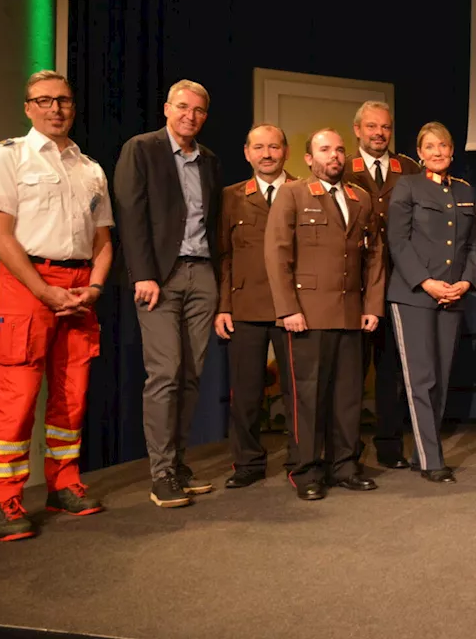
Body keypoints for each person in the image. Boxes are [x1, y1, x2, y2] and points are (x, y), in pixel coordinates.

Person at [0, 70, 113, 541]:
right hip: (28, 283)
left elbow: (103, 241)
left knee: (72, 393)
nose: (56, 109)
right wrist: (42, 289)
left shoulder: (89, 167)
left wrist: (93, 289)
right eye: (45, 101)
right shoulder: (7, 156)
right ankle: (5, 498)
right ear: (28, 107)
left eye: (64, 101)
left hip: (79, 287)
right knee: (17, 395)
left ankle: (64, 484)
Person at [114, 79, 222, 508]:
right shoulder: (141, 149)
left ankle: (178, 465)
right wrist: (142, 273)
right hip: (159, 277)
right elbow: (130, 212)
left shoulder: (210, 160)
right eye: (182, 107)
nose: (189, 116)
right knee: (165, 372)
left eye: (197, 110)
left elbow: (210, 222)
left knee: (191, 374)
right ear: (166, 108)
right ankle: (160, 474)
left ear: (205, 117)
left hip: (202, 275)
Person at [264, 128, 385, 500]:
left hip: (350, 313)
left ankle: (345, 464)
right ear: (308, 158)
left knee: (348, 395)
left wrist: (372, 306)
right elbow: (277, 252)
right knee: (308, 397)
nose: (334, 156)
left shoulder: (360, 197)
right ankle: (306, 468)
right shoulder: (293, 193)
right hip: (307, 314)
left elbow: (374, 254)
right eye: (325, 150)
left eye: (339, 150)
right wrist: (287, 309)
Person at [385, 123, 476, 484]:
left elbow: (472, 245)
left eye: (444, 145)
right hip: (414, 296)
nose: (438, 152)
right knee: (420, 378)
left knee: (440, 378)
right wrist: (427, 283)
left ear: (452, 151)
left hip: (453, 294)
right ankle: (430, 458)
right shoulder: (407, 186)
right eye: (430, 146)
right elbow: (398, 241)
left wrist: (465, 282)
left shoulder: (465, 190)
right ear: (419, 152)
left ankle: (421, 450)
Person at [215, 124, 296, 488]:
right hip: (245, 307)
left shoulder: (302, 191)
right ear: (246, 153)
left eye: (274, 147)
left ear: (286, 152)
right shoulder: (231, 197)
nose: (267, 154)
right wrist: (223, 306)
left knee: (297, 392)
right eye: (259, 148)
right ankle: (247, 463)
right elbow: (224, 256)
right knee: (245, 393)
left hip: (292, 308)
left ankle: (301, 459)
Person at [343, 100, 421, 469]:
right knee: (351, 373)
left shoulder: (408, 168)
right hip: (352, 286)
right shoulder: (341, 167)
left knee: (391, 373)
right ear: (357, 130)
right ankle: (347, 451)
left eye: (385, 128)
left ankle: (390, 446)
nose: (379, 134)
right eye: (372, 127)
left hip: (398, 284)